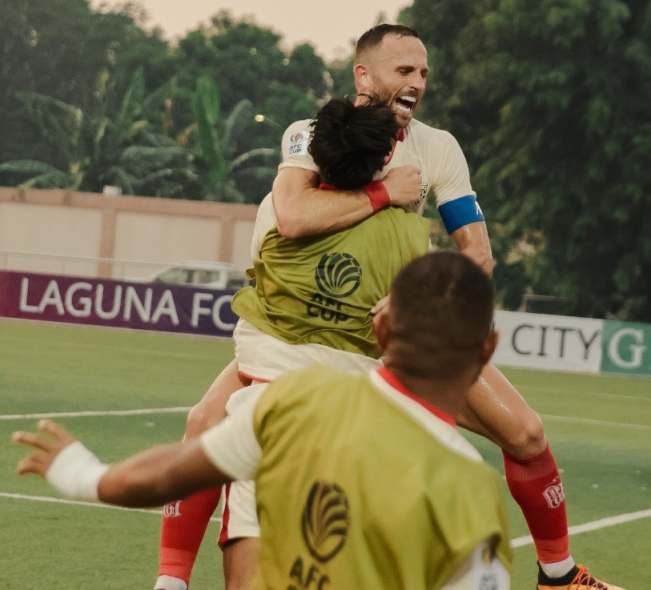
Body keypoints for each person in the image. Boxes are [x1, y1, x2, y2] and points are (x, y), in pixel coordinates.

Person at [157, 24, 619, 590]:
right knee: (204, 423)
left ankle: (559, 577)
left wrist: (423, 308)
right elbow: (294, 215)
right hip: (307, 330)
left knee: (525, 434)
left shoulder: (437, 148)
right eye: (404, 70)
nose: (417, 82)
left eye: (423, 72)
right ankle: (171, 581)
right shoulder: (309, 135)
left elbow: (477, 253)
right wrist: (384, 193)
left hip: (392, 336)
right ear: (364, 75)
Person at [16, 253, 513, 590]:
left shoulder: (297, 398)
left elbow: (170, 474)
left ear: (381, 329)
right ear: (487, 347)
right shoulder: (471, 492)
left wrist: (79, 472)